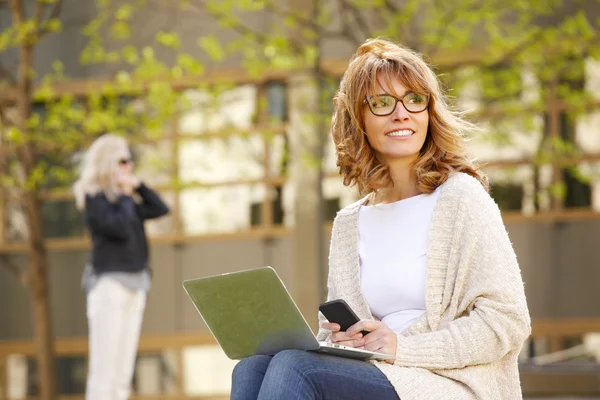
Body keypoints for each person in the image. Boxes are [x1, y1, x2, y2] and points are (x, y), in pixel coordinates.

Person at [230, 38, 531, 400]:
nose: (401, 114)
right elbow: (338, 336)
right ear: (359, 120)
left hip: (447, 383)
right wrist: (340, 340)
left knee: (297, 368)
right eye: (383, 103)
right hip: (374, 374)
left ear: (428, 113)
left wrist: (400, 347)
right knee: (253, 367)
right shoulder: (349, 223)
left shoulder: (461, 198)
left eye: (414, 100)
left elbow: (507, 321)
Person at [73, 133, 170, 400]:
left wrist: (137, 187)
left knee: (122, 372)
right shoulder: (95, 200)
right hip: (109, 286)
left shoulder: (129, 202)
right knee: (104, 370)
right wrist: (127, 196)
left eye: (130, 161)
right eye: (124, 161)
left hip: (137, 285)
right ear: (108, 163)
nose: (129, 167)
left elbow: (160, 208)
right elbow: (118, 228)